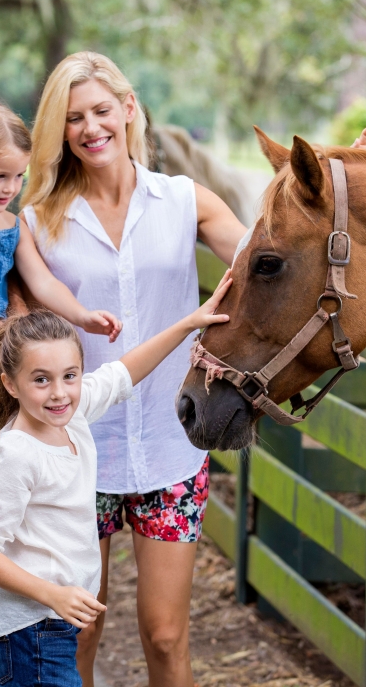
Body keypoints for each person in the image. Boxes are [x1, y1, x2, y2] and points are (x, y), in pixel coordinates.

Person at [20, 51, 248, 687]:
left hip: (169, 449)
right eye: (73, 118)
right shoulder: (39, 219)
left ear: (127, 110)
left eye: (100, 111)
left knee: (167, 636)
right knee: (77, 634)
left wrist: (337, 174)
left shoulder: (183, 201)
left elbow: (265, 256)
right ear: (57, 130)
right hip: (74, 454)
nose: (91, 128)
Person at [0, 271, 232, 687]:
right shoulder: (15, 453)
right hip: (28, 632)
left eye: (70, 375)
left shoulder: (74, 412)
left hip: (55, 624)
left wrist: (187, 324)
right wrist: (52, 594)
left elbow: (124, 371)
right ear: (9, 384)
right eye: (40, 379)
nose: (59, 393)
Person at [0, 102, 122, 535]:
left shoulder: (14, 224)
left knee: (1, 355)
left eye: (18, 177)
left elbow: (43, 282)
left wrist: (82, 315)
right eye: (0, 176)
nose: (11, 188)